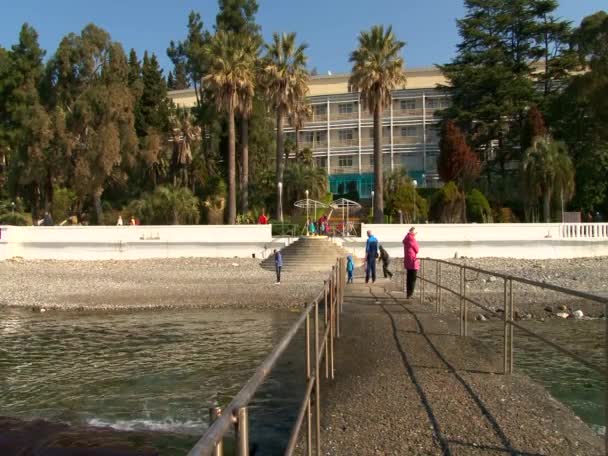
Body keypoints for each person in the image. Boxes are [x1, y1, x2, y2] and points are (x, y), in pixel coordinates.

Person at [402, 227, 420, 299]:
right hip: (413, 261)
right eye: (415, 233)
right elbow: (417, 249)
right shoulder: (412, 239)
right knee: (413, 279)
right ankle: (410, 293)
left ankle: (408, 293)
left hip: (407, 261)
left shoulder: (406, 238)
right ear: (412, 232)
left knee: (408, 278)